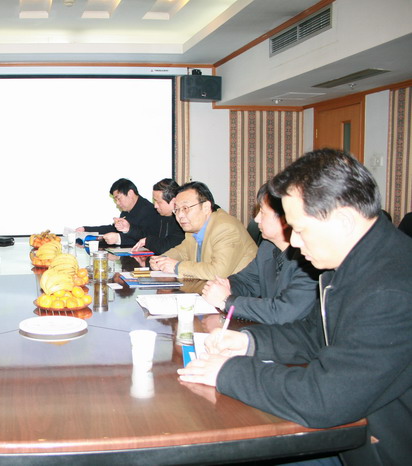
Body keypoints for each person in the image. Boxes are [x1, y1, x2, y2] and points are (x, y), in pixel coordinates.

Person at [178, 149, 412, 465]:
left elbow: (326, 398)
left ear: (343, 221)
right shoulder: (354, 260)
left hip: (375, 447)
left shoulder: (390, 288)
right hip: (353, 430)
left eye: (299, 230)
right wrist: (249, 341)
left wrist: (228, 372)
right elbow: (317, 333)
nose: (296, 243)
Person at [201, 183, 319, 324]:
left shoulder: (310, 258)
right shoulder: (267, 247)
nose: (256, 219)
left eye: (262, 212)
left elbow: (284, 312)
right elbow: (246, 281)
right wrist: (226, 286)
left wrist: (227, 301)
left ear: (285, 218)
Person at [150, 181, 256, 280]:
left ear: (206, 207)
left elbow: (218, 272)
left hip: (243, 291)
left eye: (185, 208)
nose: (180, 215)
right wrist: (162, 259)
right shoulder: (193, 230)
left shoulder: (226, 228)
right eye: (177, 210)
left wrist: (176, 267)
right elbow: (181, 252)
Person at [77, 178, 161, 247]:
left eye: (118, 198)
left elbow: (147, 238)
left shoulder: (150, 210)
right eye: (115, 200)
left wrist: (118, 239)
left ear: (130, 193)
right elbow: (113, 229)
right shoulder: (126, 211)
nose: (117, 203)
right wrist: (86, 230)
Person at [131, 178, 185, 254]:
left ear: (173, 201)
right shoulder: (158, 216)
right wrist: (128, 229)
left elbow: (166, 247)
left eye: (159, 202)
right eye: (154, 201)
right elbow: (146, 234)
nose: (155, 206)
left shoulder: (183, 220)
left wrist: (147, 241)